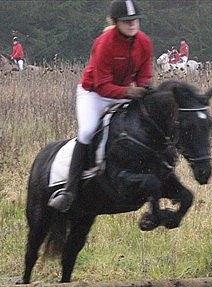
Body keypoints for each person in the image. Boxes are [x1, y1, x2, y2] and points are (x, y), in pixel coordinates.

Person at [49, 0, 153, 212]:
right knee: (87, 131)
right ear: (116, 23)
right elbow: (102, 85)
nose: (132, 24)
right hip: (94, 94)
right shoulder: (104, 43)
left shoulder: (144, 42)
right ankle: (69, 190)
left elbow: (144, 75)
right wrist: (129, 92)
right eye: (127, 21)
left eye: (135, 20)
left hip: (124, 93)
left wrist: (144, 89)